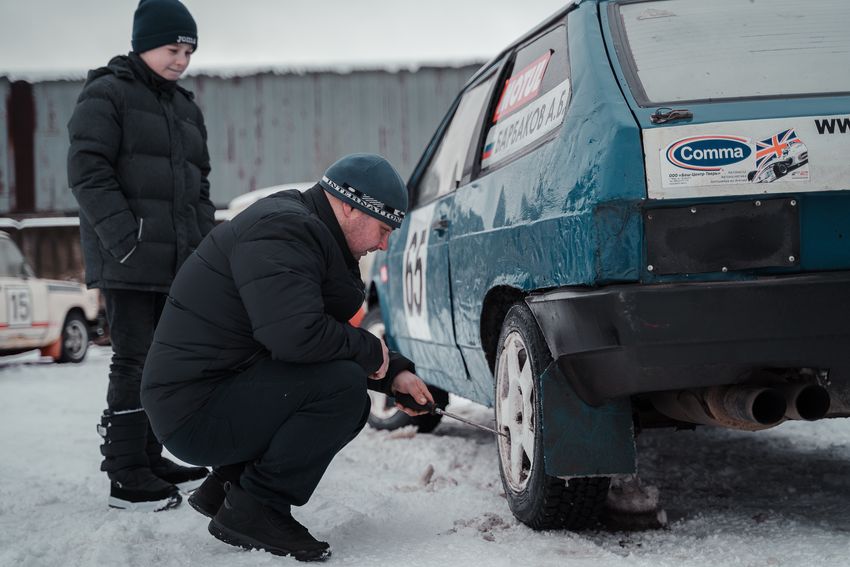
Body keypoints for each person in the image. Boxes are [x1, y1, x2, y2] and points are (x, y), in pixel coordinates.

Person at [140, 153, 434, 561]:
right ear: (350, 205)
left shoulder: (305, 229)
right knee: (343, 394)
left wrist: (392, 373)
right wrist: (371, 355)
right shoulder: (284, 229)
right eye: (383, 228)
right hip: (193, 410)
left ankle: (230, 485)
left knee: (341, 381)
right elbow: (297, 337)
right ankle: (255, 507)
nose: (383, 244)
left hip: (213, 390)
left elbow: (311, 336)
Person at [67, 0, 214, 511]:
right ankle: (125, 475)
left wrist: (201, 246)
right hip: (127, 258)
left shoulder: (185, 108)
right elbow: (88, 172)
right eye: (173, 48)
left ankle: (150, 456)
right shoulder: (106, 94)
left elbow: (200, 186)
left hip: (177, 261)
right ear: (144, 44)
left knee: (163, 360)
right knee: (132, 360)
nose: (181, 59)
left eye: (188, 51)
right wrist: (124, 238)